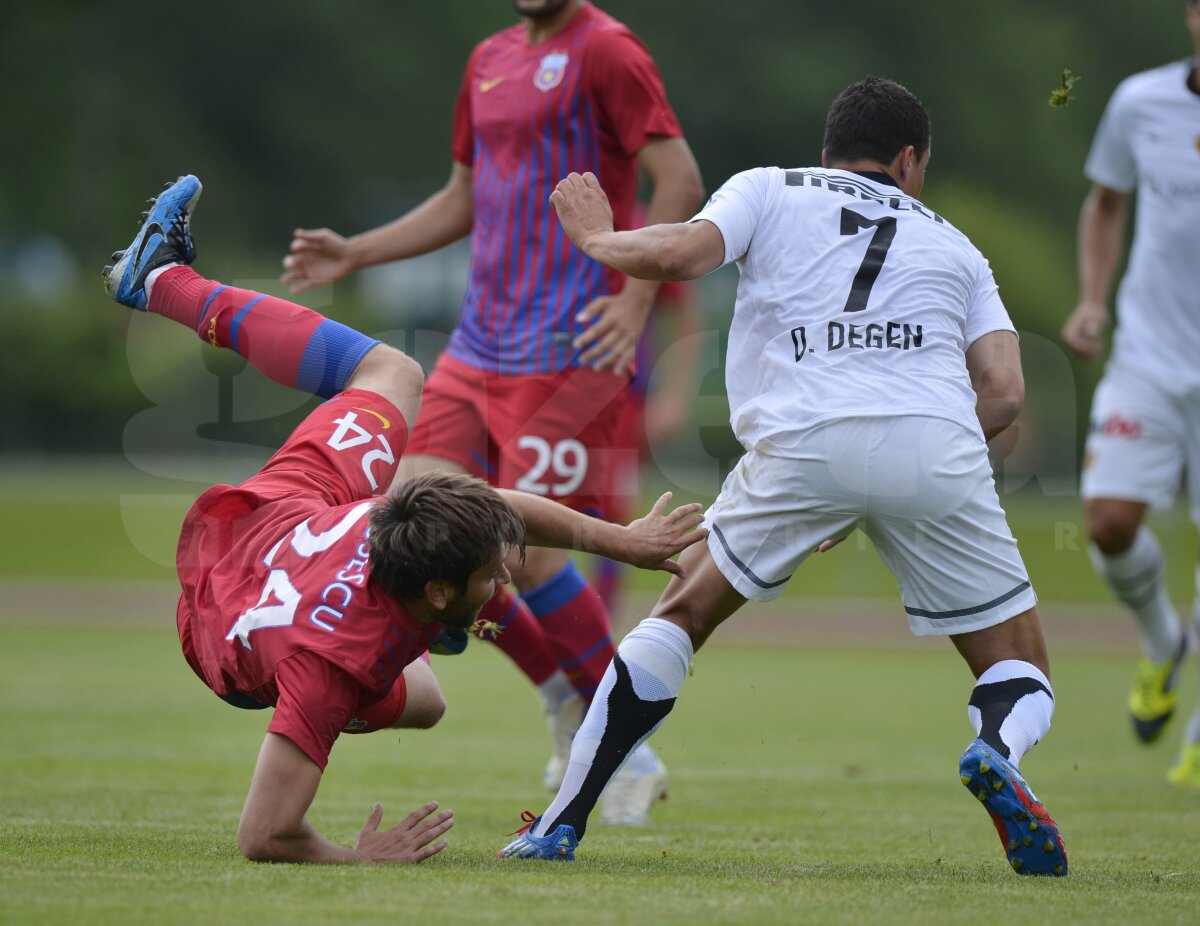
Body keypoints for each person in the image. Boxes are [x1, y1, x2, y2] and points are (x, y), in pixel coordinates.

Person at [499, 77, 1070, 877]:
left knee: (681, 613)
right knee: (1021, 664)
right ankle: (995, 750)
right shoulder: (955, 244)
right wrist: (914, 452)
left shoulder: (770, 188)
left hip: (804, 442)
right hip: (940, 444)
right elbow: (1005, 393)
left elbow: (679, 254)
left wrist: (599, 240)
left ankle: (560, 823)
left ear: (831, 149)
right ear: (909, 160)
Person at [100, 175, 705, 864]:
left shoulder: (396, 517)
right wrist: (360, 858)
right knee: (426, 703)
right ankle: (460, 655)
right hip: (226, 630)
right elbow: (263, 835)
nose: (509, 571)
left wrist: (619, 542)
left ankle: (163, 283)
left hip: (279, 519)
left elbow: (500, 511)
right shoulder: (331, 668)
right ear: (439, 592)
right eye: (489, 574)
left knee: (392, 374)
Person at [279, 0, 705, 822]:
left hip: (566, 348)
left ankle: (623, 741)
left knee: (531, 549)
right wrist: (357, 250)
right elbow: (463, 197)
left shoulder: (608, 50)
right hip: (476, 347)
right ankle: (563, 699)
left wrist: (635, 297)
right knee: (415, 521)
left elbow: (680, 177)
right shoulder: (487, 59)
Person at [1060, 0, 1200, 787]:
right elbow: (1107, 202)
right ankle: (1163, 642)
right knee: (1108, 522)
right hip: (1148, 354)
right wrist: (1091, 298)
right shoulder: (1140, 101)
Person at [592, 273, 702, 620]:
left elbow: (686, 311)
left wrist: (673, 395)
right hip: (548, 390)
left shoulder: (642, 236)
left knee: (612, 512)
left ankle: (597, 624)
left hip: (622, 398)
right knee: (536, 503)